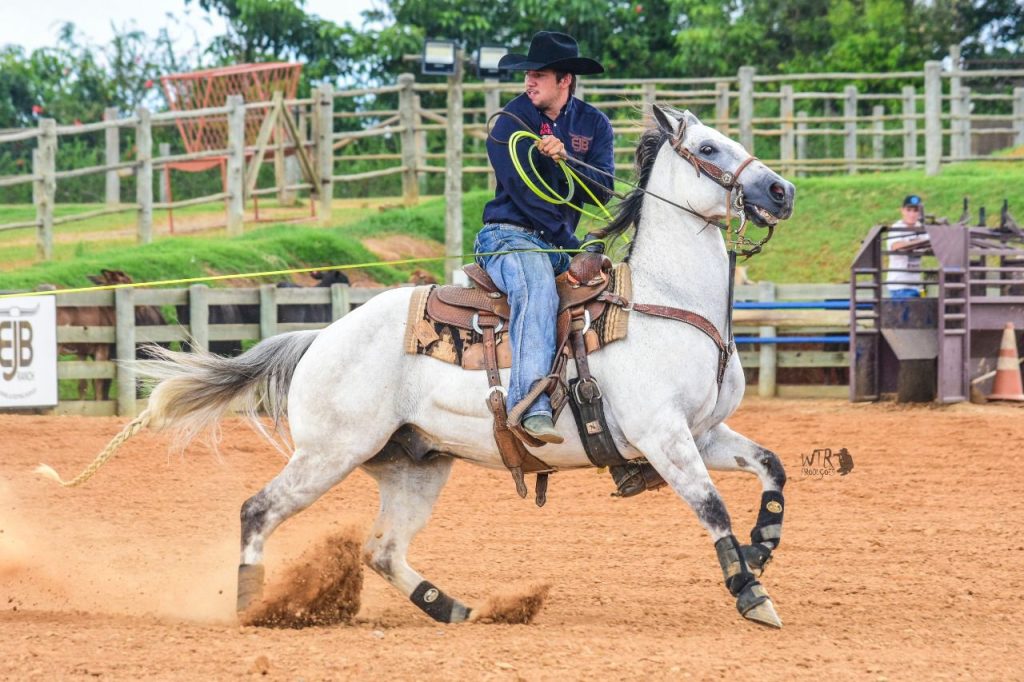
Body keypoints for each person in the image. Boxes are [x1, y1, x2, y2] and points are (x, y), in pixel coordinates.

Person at [474, 31, 615, 443]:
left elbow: (602, 191)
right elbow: (526, 195)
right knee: (536, 289)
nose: (528, 82)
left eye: (538, 75)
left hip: (557, 242)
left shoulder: (594, 124)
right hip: (508, 237)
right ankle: (530, 405)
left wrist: (568, 161)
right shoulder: (509, 124)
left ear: (564, 79)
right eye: (528, 75)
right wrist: (571, 246)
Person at [884, 194, 927, 298]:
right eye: (909, 210)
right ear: (902, 210)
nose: (912, 214)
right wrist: (918, 242)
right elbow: (896, 245)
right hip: (899, 285)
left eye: (915, 210)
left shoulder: (921, 229)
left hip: (917, 285)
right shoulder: (897, 228)